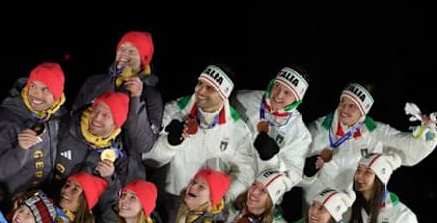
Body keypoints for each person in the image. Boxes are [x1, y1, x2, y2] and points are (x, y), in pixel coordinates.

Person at [299, 82, 437, 205]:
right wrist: (308, 173)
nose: (344, 109)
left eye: (352, 106)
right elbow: (294, 173)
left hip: (351, 208)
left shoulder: (375, 133)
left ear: (363, 111)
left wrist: (427, 132)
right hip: (315, 207)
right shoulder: (318, 130)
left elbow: (408, 148)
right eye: (343, 101)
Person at [143, 64, 254, 213]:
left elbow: (245, 174)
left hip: (206, 212)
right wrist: (169, 143)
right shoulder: (173, 111)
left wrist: (220, 198)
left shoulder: (238, 129)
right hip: (168, 204)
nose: (200, 91)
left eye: (210, 88)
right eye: (200, 83)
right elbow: (148, 160)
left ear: (224, 94)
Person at [72, 31, 163, 182]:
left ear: (143, 59)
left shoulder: (151, 96)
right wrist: (111, 83)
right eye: (122, 48)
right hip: (80, 162)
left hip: (123, 174)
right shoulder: (94, 82)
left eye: (132, 51)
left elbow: (143, 145)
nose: (124, 54)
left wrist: (136, 99)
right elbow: (74, 120)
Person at [0, 62, 67, 206]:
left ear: (57, 96)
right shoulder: (4, 119)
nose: (37, 95)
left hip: (39, 204)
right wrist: (20, 151)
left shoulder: (58, 117)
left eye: (45, 89)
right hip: (8, 207)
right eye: (33, 86)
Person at [231, 66, 312, 188]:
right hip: (225, 174)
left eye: (287, 92)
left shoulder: (300, 134)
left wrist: (273, 160)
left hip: (255, 191)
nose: (278, 95)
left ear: (297, 99)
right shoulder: (242, 98)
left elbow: (293, 177)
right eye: (277, 86)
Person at [53, 91, 131, 212]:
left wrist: (109, 179)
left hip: (81, 218)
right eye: (96, 110)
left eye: (106, 115)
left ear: (116, 124)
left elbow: (112, 202)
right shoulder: (66, 126)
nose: (97, 118)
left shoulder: (117, 156)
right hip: (49, 199)